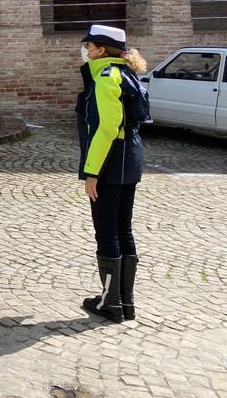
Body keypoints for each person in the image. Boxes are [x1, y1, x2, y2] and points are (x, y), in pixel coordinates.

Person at [76, 23, 149, 323]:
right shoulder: (125, 72)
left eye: (90, 46)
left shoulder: (106, 77)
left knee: (107, 231)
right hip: (129, 161)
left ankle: (111, 303)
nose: (86, 51)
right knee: (123, 228)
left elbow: (106, 129)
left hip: (110, 163)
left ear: (102, 49)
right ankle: (123, 301)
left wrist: (91, 173)